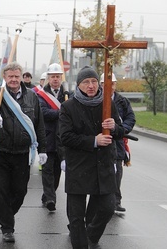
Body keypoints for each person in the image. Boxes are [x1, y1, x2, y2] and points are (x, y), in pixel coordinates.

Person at [59, 66, 124, 249]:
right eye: (86, 82)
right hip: (79, 167)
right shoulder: (68, 107)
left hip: (102, 167)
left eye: (94, 81)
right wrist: (93, 141)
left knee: (107, 207)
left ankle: (92, 235)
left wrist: (114, 127)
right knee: (76, 217)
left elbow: (120, 132)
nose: (91, 85)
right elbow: (66, 137)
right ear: (79, 85)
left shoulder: (107, 105)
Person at [0, 62, 47, 243]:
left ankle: (7, 214)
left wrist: (43, 149)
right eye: (10, 76)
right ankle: (7, 228)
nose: (13, 80)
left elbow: (39, 125)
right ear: (4, 77)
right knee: (1, 190)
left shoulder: (32, 97)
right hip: (1, 151)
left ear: (21, 77)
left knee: (20, 191)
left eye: (16, 76)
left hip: (22, 153)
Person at [100, 73, 136, 213]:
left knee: (117, 172)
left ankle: (115, 201)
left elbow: (130, 118)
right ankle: (102, 201)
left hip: (118, 142)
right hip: (101, 140)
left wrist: (122, 129)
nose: (109, 87)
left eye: (112, 84)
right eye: (105, 84)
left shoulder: (122, 101)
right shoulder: (96, 100)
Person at [37, 63, 69, 212]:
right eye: (53, 76)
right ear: (48, 78)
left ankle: (48, 194)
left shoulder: (68, 94)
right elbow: (43, 112)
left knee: (57, 173)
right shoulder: (40, 95)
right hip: (48, 137)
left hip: (62, 139)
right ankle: (50, 199)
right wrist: (62, 113)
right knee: (48, 170)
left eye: (58, 76)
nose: (55, 79)